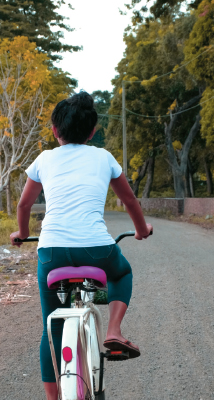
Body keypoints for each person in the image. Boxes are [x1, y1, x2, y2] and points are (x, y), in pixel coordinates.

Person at [10, 92, 153, 400]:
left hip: (51, 252)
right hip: (96, 249)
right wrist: (141, 230)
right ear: (92, 132)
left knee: (52, 327)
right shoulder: (103, 157)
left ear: (54, 130)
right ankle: (114, 330)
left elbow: (24, 204)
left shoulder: (44, 159)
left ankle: (52, 398)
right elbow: (128, 200)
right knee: (122, 273)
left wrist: (21, 233)